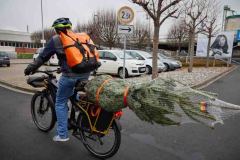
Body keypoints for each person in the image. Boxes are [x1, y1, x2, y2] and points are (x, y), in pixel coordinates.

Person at [24, 18, 100, 142]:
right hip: (85, 74)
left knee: (60, 102)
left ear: (56, 29)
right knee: (69, 92)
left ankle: (62, 135)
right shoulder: (78, 37)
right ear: (69, 28)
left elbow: (42, 57)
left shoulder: (56, 40)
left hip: (70, 76)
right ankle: (75, 110)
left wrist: (30, 68)